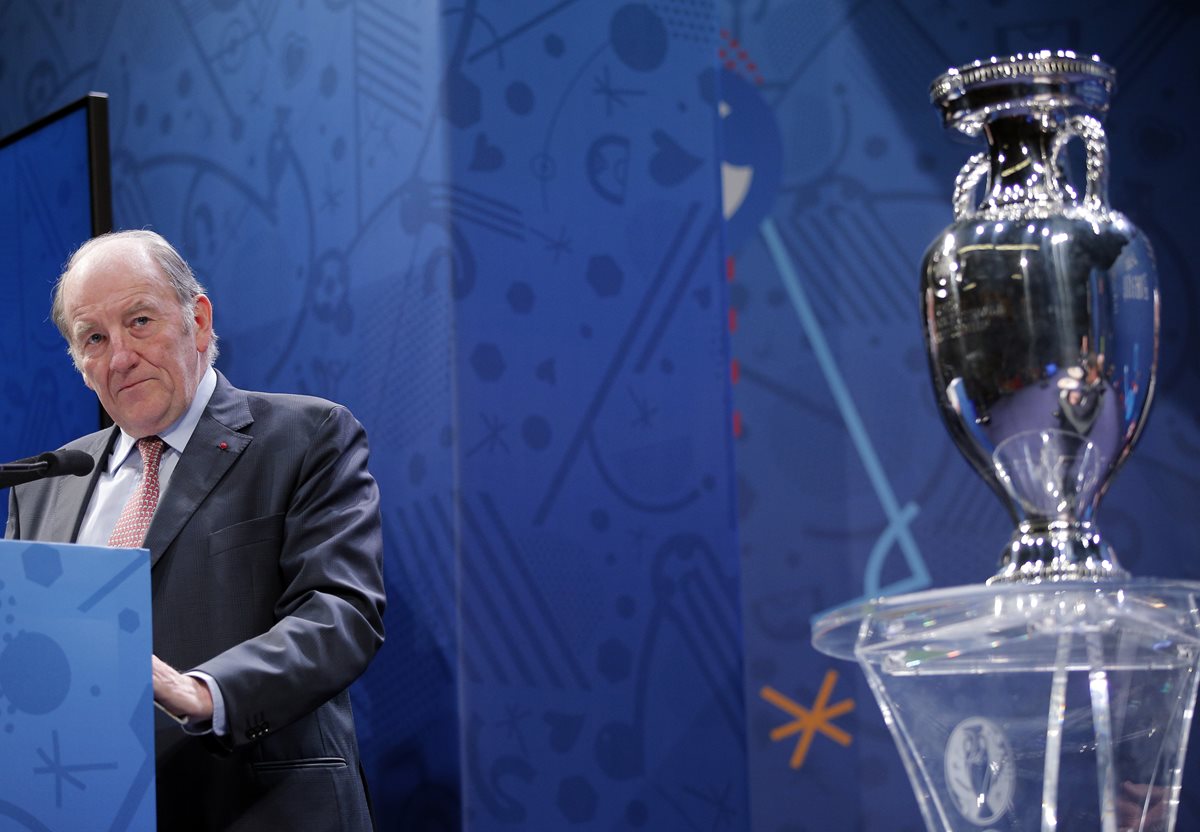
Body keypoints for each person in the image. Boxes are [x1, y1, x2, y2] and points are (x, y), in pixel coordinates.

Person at [4, 230, 386, 831]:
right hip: (84, 807)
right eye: (94, 338)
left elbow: (340, 613)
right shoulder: (44, 484)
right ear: (79, 365)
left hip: (257, 808)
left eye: (140, 321)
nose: (120, 356)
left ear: (198, 320)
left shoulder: (305, 436)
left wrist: (204, 692)